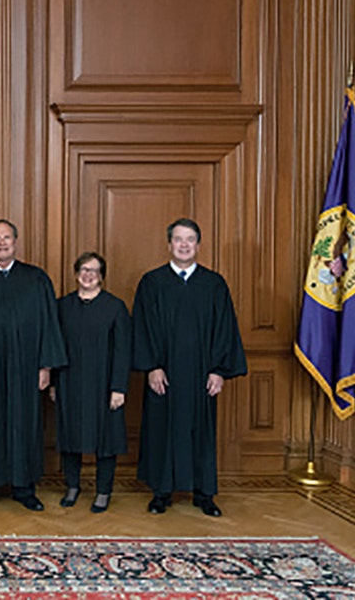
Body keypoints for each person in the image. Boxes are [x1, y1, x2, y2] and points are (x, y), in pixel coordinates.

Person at [133, 218, 247, 517]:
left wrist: (219, 370)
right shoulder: (152, 282)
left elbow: (225, 329)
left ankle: (203, 492)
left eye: (190, 240)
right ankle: (161, 491)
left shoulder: (213, 284)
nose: (184, 245)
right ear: (169, 244)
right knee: (161, 429)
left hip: (201, 375)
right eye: (178, 239)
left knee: (202, 431)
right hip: (165, 375)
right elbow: (142, 327)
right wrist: (153, 367)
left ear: (198, 244)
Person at [0, 219, 66, 512]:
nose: (2, 243)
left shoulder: (36, 279)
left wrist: (46, 366)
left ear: (16, 242)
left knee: (25, 423)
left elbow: (48, 325)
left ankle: (24, 487)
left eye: (7, 238)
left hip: (26, 367)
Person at [52, 252, 131, 514]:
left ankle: (103, 491)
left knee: (105, 439)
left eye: (94, 271)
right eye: (84, 269)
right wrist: (53, 382)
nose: (88, 275)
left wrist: (118, 387)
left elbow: (123, 351)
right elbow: (54, 347)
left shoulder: (115, 307)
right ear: (76, 273)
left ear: (102, 277)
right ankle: (72, 486)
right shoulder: (62, 306)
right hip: (69, 380)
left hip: (104, 384)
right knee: (70, 435)